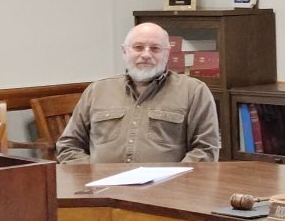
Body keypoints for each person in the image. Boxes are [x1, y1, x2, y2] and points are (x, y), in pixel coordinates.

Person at [55, 23, 220, 163]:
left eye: (155, 48)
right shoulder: (97, 90)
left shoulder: (193, 91)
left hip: (167, 188)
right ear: (124, 51)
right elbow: (68, 145)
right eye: (138, 47)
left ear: (167, 54)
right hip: (100, 187)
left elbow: (205, 150)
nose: (146, 55)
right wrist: (92, 175)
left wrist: (173, 180)